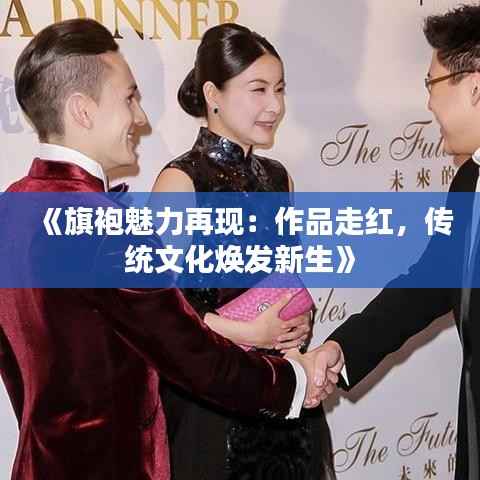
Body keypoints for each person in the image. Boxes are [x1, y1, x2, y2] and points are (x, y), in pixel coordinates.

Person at [0, 18, 338, 480]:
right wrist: (294, 381)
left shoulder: (11, 208)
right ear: (82, 110)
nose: (140, 118)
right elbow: (191, 353)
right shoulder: (107, 225)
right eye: (129, 98)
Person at [153, 23, 336, 480]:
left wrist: (297, 324)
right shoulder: (181, 181)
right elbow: (162, 311)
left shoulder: (277, 177)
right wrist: (250, 332)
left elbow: (288, 277)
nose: (275, 105)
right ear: (213, 94)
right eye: (258, 89)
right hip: (213, 401)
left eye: (279, 89)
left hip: (284, 390)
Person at [313, 5, 480, 480]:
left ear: (475, 86)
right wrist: (343, 348)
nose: (428, 103)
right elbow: (427, 283)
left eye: (432, 84)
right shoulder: (469, 182)